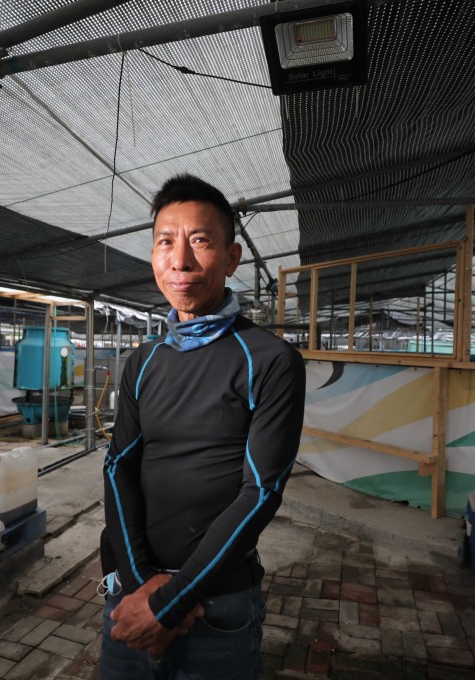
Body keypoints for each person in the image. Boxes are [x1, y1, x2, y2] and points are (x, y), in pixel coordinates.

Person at [98, 173, 306, 679]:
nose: (181, 260)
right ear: (153, 256)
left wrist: (171, 603)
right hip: (133, 591)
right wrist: (140, 585)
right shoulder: (144, 360)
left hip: (215, 608)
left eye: (200, 241)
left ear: (232, 258)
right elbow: (119, 468)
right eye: (165, 242)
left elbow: (259, 492)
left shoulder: (270, 360)